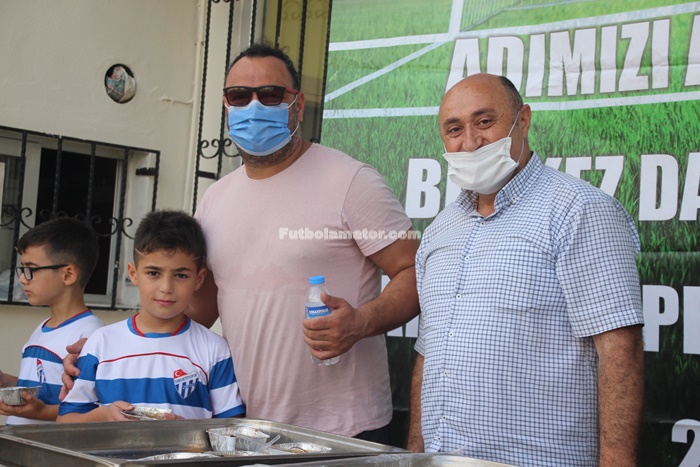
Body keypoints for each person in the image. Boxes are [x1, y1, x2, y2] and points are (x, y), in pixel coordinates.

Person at [407, 74, 644, 466]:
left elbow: (620, 346)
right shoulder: (440, 230)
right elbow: (428, 353)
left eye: (485, 122)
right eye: (454, 129)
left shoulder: (579, 210)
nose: (471, 142)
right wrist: (415, 453)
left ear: (524, 121)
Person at [191, 42, 420, 441]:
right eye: (239, 96)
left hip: (345, 432)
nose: (254, 106)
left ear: (297, 105)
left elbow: (416, 271)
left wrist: (361, 322)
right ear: (226, 106)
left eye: (271, 94)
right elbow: (198, 308)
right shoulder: (214, 198)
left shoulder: (351, 181)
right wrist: (116, 349)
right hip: (246, 428)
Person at [57, 210, 244, 422]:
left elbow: (230, 429)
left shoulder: (215, 351)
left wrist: (187, 432)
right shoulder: (100, 344)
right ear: (133, 273)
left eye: (181, 275)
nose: (166, 287)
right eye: (154, 273)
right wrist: (104, 416)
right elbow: (65, 422)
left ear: (199, 279)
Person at [0, 217, 104, 425]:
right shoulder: (43, 327)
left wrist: (42, 412)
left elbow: (92, 409)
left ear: (68, 275)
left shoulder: (91, 335)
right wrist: (5, 381)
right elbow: (43, 388)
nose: (22, 279)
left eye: (31, 269)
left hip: (49, 445)